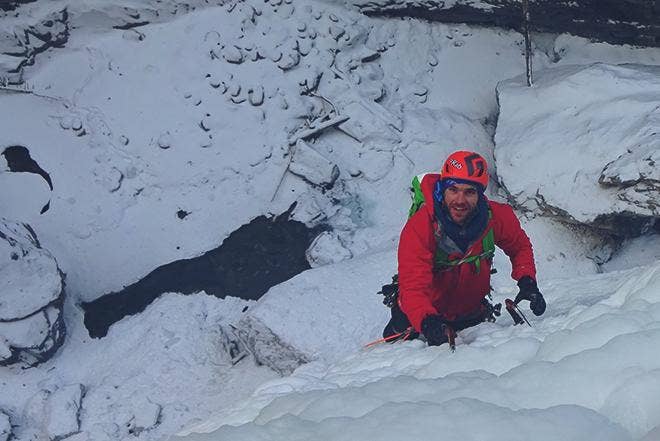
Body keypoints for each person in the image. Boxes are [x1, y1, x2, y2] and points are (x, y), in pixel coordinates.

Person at [383, 150, 546, 346]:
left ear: (480, 194)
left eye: (469, 192)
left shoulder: (496, 217)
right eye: (453, 190)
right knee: (394, 338)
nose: (460, 200)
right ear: (443, 190)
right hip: (424, 312)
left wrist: (527, 280)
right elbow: (413, 284)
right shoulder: (421, 226)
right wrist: (426, 320)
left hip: (470, 310)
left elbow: (519, 246)